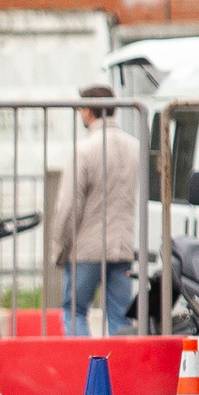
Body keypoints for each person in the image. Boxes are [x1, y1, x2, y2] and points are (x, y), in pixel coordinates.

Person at [52, 85, 141, 336]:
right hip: (122, 246)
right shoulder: (135, 148)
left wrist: (60, 246)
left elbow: (69, 205)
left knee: (74, 311)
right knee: (120, 317)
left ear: (89, 111)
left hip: (87, 249)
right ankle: (120, 371)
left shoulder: (84, 150)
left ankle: (84, 369)